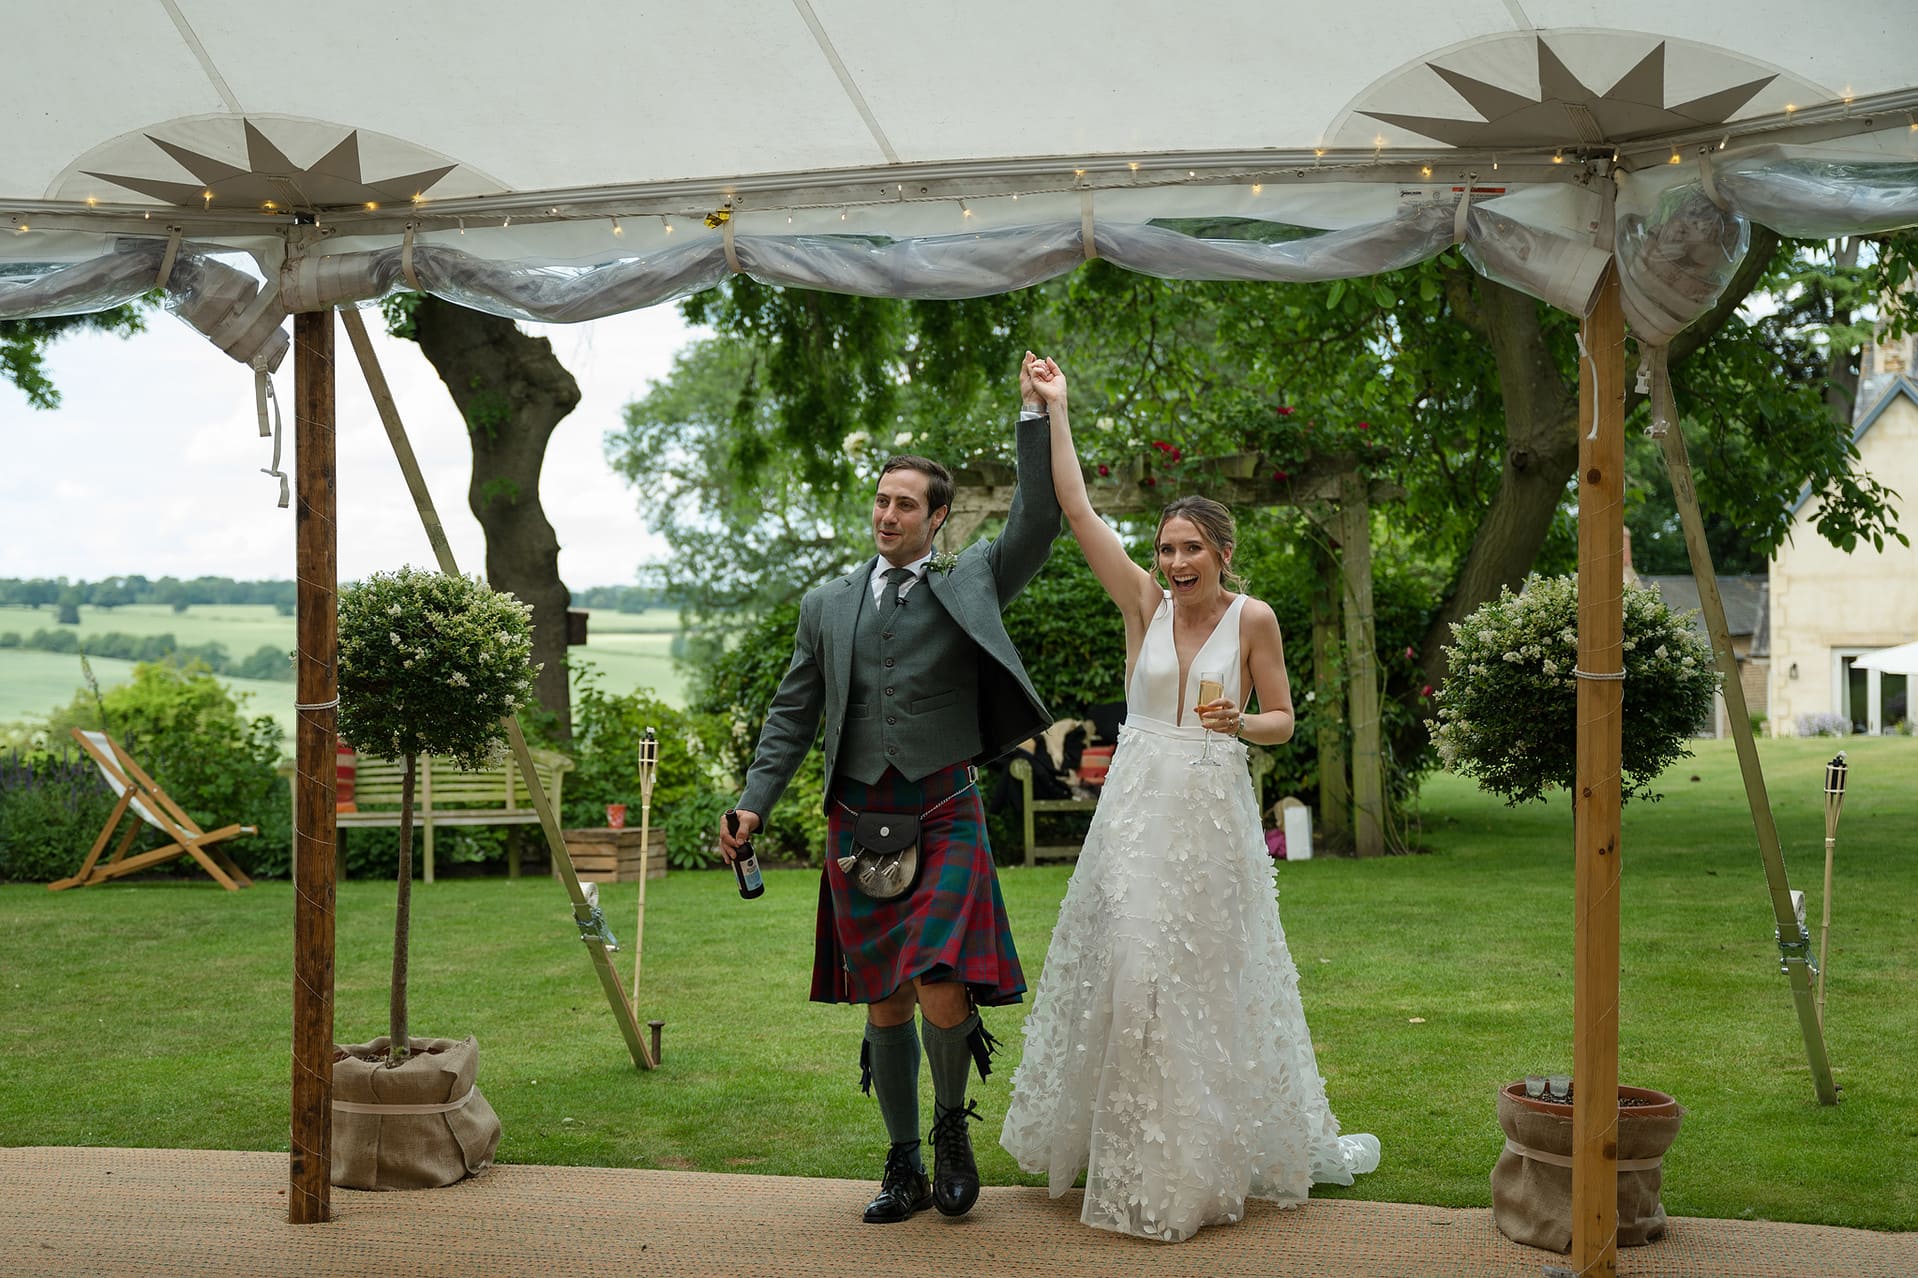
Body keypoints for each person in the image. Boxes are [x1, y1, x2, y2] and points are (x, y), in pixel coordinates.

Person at [999, 357, 1380, 1242]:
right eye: (1167, 549)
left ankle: (1201, 1162)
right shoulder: (1141, 603)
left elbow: (1284, 719)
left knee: (1203, 984)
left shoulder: (1255, 619)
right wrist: (1054, 411)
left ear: (1221, 554)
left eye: (1189, 550)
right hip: (1136, 813)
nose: (1174, 563)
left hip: (1211, 817)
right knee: (1134, 975)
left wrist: (1239, 725)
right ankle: (1137, 1159)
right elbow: (1078, 511)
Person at [719, 354, 1063, 1224]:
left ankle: (952, 1132)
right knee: (884, 996)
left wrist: (1037, 414)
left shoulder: (970, 580)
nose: (887, 514)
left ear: (938, 518)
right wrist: (754, 801)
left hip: (943, 810)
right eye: (881, 500)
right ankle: (903, 1162)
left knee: (941, 979)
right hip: (856, 819)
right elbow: (793, 716)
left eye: (906, 503)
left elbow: (1037, 518)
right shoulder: (826, 604)